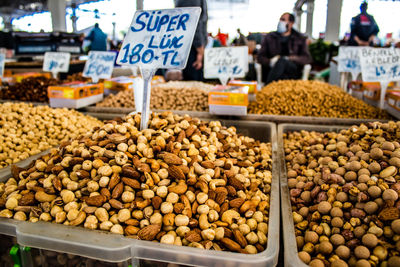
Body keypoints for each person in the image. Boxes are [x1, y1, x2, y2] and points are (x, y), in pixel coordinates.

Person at [257, 13, 312, 84]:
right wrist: (270, 62)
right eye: (280, 19)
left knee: (282, 61)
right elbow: (260, 56)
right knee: (281, 69)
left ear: (291, 23)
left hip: (292, 71)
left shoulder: (300, 38)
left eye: (283, 20)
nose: (280, 22)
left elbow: (307, 58)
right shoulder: (270, 37)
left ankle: (268, 87)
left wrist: (290, 58)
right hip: (271, 70)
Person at [175, 0, 208, 81]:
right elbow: (192, 21)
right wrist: (199, 48)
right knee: (193, 83)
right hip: (192, 47)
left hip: (190, 45)